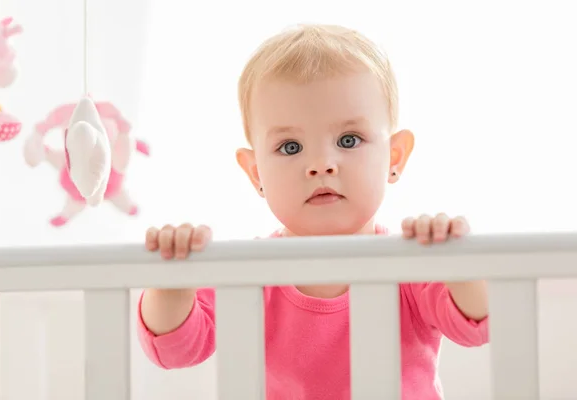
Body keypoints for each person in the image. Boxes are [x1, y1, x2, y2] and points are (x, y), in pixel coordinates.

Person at [137, 24, 489, 400]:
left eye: (348, 140)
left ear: (395, 157)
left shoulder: (412, 261)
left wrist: (456, 262)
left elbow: (479, 324)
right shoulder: (246, 273)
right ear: (256, 173)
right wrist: (172, 280)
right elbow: (175, 349)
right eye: (290, 147)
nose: (321, 164)